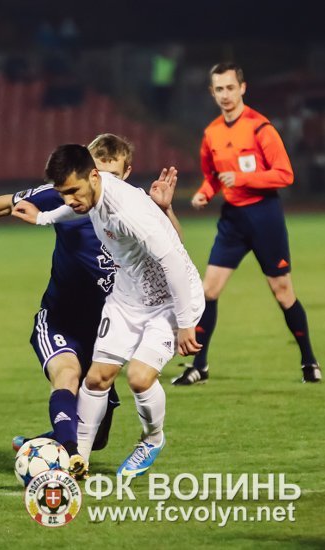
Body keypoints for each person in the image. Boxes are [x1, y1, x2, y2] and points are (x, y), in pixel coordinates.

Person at [0, 134, 180, 478]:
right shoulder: (67, 197)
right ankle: (69, 456)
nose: (100, 184)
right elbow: (8, 203)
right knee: (68, 376)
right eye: (97, 173)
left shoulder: (133, 206)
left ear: (127, 173)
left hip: (107, 329)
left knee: (98, 435)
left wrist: (165, 209)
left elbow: (174, 251)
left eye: (113, 175)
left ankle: (43, 446)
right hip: (61, 319)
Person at [11, 144, 204, 478]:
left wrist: (186, 323)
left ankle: (152, 439)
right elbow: (78, 208)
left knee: (139, 378)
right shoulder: (93, 191)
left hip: (170, 301)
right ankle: (77, 462)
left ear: (94, 177)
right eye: (63, 193)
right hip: (128, 298)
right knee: (97, 379)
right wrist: (44, 217)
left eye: (73, 191)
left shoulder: (127, 211)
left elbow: (173, 260)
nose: (69, 199)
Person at [173, 62, 320, 385]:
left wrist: (242, 178)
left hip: (265, 217)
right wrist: (204, 193)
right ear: (212, 93)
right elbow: (212, 177)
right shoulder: (211, 133)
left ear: (242, 88)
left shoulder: (260, 128)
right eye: (219, 89)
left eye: (230, 87)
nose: (225, 94)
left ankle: (309, 361)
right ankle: (199, 366)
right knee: (208, 290)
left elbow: (285, 174)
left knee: (282, 292)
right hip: (233, 221)